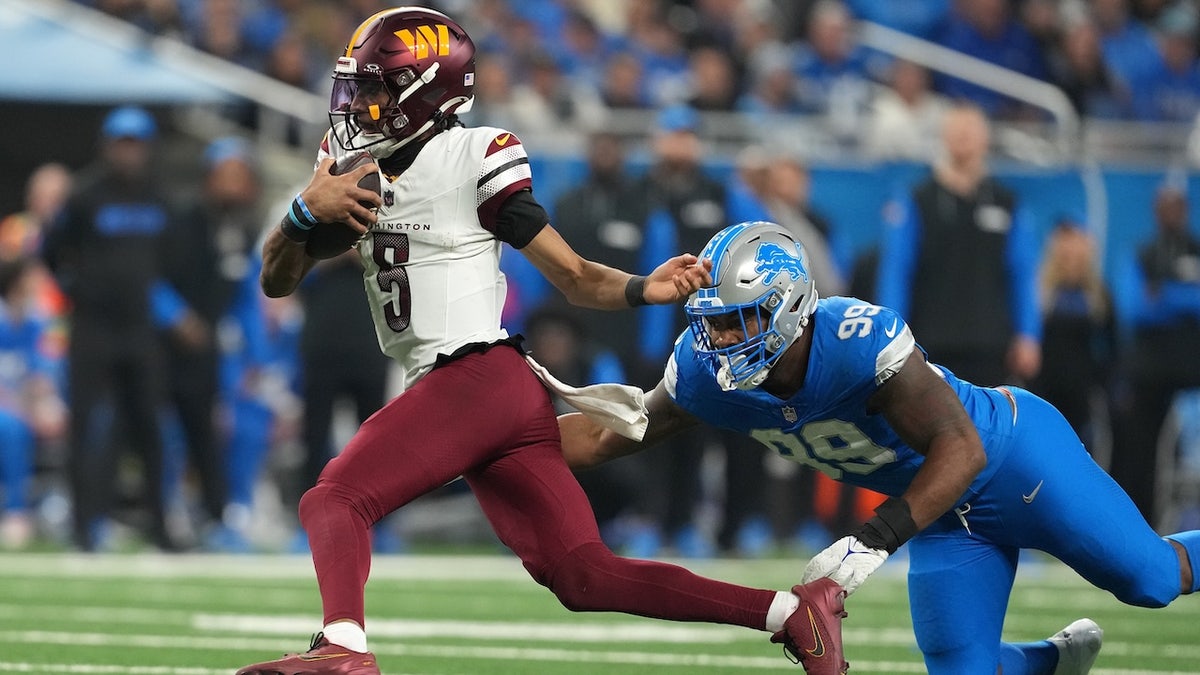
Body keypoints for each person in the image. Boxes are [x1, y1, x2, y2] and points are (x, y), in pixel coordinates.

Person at [235, 9, 848, 675]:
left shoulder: (473, 155)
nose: (359, 105)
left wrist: (645, 287)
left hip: (474, 375)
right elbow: (277, 279)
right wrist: (302, 214)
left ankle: (343, 649)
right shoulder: (350, 170)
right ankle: (792, 614)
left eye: (378, 89)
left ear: (429, 93)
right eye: (357, 89)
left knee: (335, 496)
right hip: (483, 392)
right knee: (584, 574)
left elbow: (574, 275)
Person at [560, 220, 1200, 675]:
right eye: (712, 322)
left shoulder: (855, 341)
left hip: (1016, 461)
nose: (721, 339)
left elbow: (962, 448)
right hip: (940, 510)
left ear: (788, 306)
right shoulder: (706, 376)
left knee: (1150, 578)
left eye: (738, 320)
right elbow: (606, 435)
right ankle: (1053, 663)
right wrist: (506, 435)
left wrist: (870, 541)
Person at [41, 105, 180, 552]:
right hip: (93, 327)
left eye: (135, 144)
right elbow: (51, 250)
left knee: (150, 427)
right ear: (107, 146)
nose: (128, 152)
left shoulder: (159, 197)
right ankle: (83, 528)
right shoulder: (84, 195)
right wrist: (77, 289)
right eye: (122, 144)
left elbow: (170, 258)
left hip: (140, 328)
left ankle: (159, 527)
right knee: (84, 427)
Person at [876, 102, 1042, 388]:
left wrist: (1028, 335)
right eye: (957, 129)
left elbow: (1023, 273)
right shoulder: (917, 200)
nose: (964, 136)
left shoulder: (1008, 203)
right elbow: (897, 270)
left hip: (991, 346)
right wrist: (891, 337)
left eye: (971, 129)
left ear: (985, 138)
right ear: (944, 136)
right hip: (929, 345)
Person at [1111, 182, 1200, 526]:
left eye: (1176, 206)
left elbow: (1157, 304)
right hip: (1149, 376)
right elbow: (1135, 308)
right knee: (1140, 456)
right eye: (1164, 206)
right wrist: (1188, 298)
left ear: (1186, 210)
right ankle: (1140, 527)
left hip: (1192, 372)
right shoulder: (1141, 253)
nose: (1170, 213)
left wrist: (1165, 295)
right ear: (1155, 211)